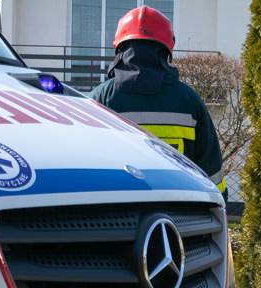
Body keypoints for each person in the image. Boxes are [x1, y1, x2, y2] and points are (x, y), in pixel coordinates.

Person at [90, 6, 226, 196]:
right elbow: (211, 171)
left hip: (117, 215)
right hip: (177, 213)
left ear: (120, 49)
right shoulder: (189, 100)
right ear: (166, 50)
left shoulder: (100, 99)